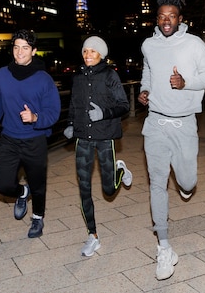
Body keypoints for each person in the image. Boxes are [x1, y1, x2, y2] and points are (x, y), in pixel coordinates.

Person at [137, 0, 205, 280]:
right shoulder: (148, 44)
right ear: (156, 19)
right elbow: (147, 70)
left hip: (184, 124)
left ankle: (184, 185)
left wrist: (186, 82)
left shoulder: (194, 44)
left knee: (187, 180)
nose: (166, 20)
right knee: (157, 183)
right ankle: (164, 248)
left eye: (171, 16)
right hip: (155, 123)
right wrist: (145, 90)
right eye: (161, 16)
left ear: (180, 19)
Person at [0, 29, 61, 238]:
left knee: (38, 183)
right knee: (4, 185)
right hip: (9, 138)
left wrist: (35, 118)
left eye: (25, 48)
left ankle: (37, 218)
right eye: (16, 47)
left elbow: (53, 111)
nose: (20, 52)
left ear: (34, 51)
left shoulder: (43, 79)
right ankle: (21, 192)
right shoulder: (2, 74)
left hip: (34, 139)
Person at [63, 36, 133, 257]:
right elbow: (74, 104)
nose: (88, 55)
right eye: (85, 51)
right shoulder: (78, 79)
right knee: (84, 188)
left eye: (93, 51)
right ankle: (92, 235)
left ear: (101, 54)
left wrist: (104, 113)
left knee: (109, 189)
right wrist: (71, 125)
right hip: (83, 137)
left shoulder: (110, 75)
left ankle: (119, 170)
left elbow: (124, 105)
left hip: (104, 137)